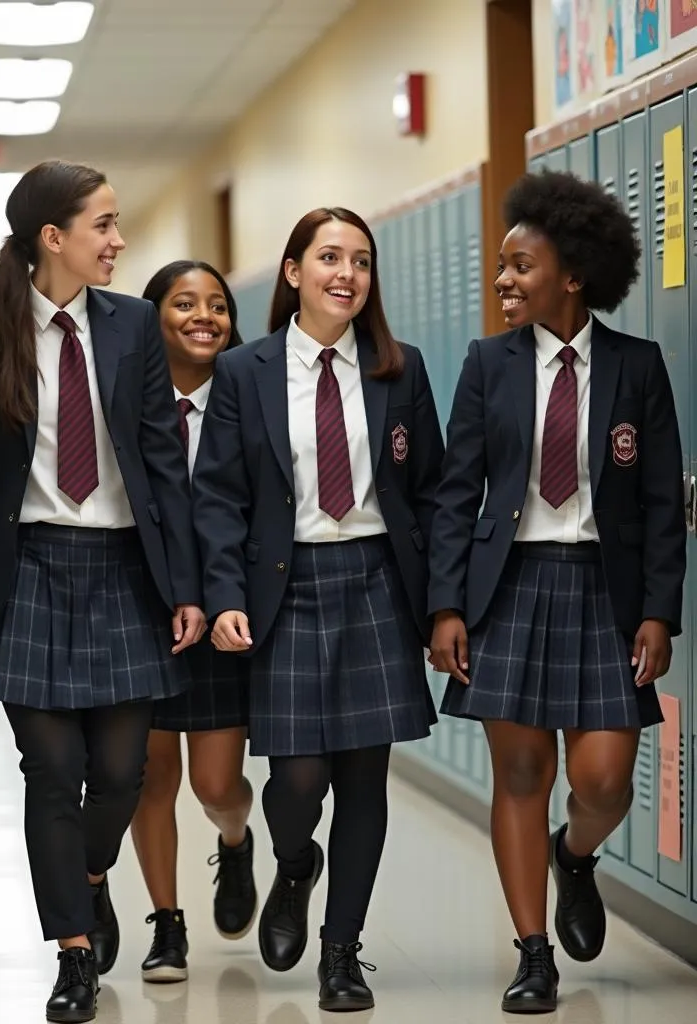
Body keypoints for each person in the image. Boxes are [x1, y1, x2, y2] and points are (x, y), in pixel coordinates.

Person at [0, 160, 206, 1024]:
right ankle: (73, 955)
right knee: (52, 771)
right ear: (52, 238)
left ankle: (90, 874)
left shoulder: (133, 326)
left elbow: (165, 461)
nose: (118, 240)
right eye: (103, 224)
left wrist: (187, 585)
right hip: (29, 574)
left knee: (123, 774)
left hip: (128, 569)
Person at [428, 169, 686, 1014]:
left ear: (572, 274)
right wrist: (447, 607)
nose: (503, 280)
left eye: (520, 266)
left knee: (606, 779)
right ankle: (533, 953)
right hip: (509, 588)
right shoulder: (485, 365)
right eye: (500, 267)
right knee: (523, 769)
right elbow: (455, 491)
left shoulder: (637, 367)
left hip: (603, 593)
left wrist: (658, 610)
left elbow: (657, 504)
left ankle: (573, 856)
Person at [191, 207, 443, 1013]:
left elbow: (432, 494)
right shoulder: (246, 371)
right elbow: (219, 498)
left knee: (365, 781)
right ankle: (294, 864)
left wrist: (441, 605)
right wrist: (225, 596)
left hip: (375, 582)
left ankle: (342, 955)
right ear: (294, 271)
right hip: (286, 586)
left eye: (361, 261)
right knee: (297, 780)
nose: (347, 273)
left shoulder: (400, 369)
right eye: (329, 257)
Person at [129, 260, 255, 984]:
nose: (204, 316)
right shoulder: (131, 404)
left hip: (224, 614)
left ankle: (234, 840)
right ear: (152, 320)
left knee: (214, 784)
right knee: (152, 776)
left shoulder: (250, 397)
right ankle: (167, 924)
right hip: (145, 607)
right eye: (183, 303)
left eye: (217, 305)